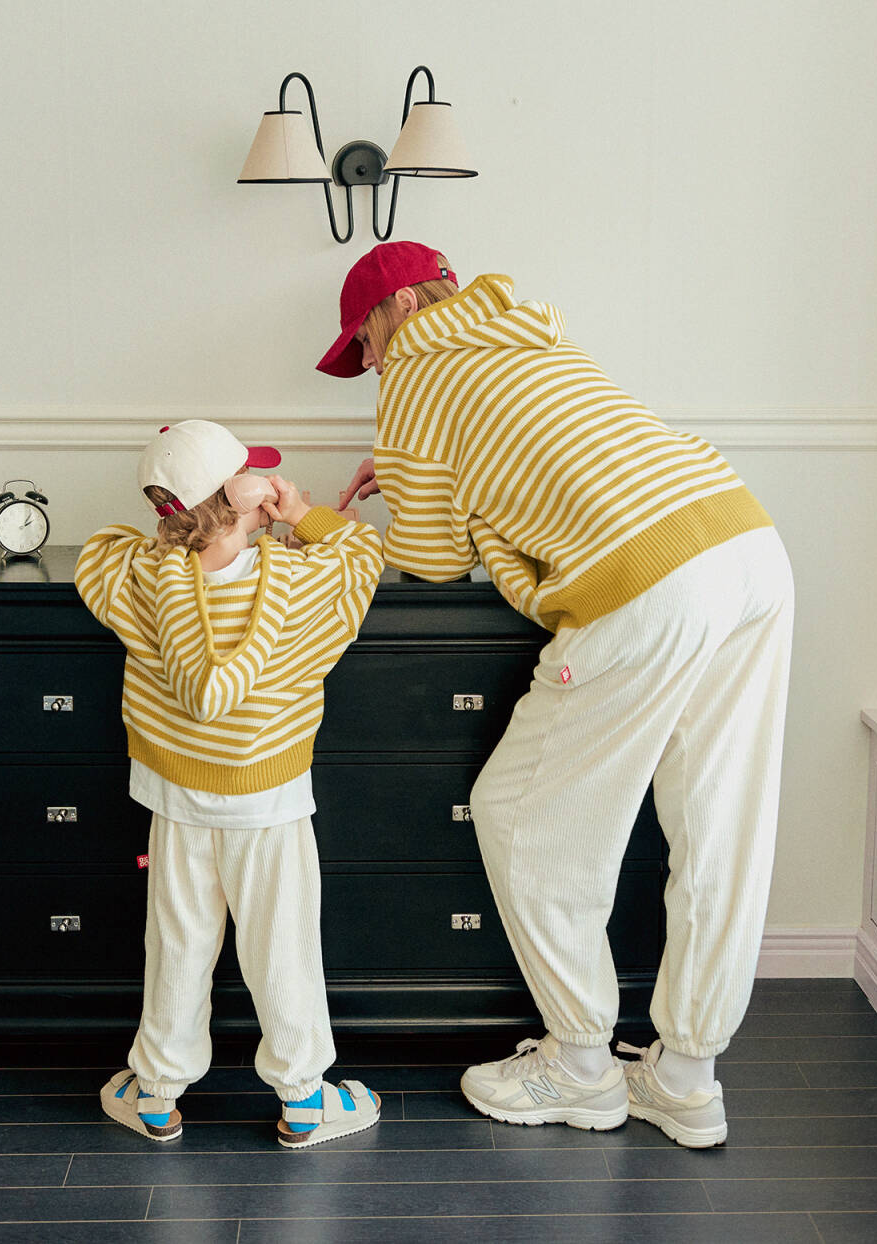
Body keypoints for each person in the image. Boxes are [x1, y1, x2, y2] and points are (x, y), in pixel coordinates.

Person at [321, 242, 794, 1148]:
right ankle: (688, 1078)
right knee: (719, 819)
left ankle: (580, 1065)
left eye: (364, 344)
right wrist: (422, 471)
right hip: (742, 539)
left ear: (398, 311)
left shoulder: (414, 376)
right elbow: (544, 456)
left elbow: (432, 559)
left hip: (650, 579)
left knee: (520, 816)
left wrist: (408, 480)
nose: (370, 364)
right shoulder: (535, 334)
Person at [75, 419, 384, 1148]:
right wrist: (297, 514)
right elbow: (363, 551)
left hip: (177, 800)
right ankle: (304, 1101)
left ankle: (157, 1094)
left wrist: (187, 527)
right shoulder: (303, 585)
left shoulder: (143, 580)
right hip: (269, 802)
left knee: (177, 944)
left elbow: (99, 550)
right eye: (255, 476)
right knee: (283, 949)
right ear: (240, 494)